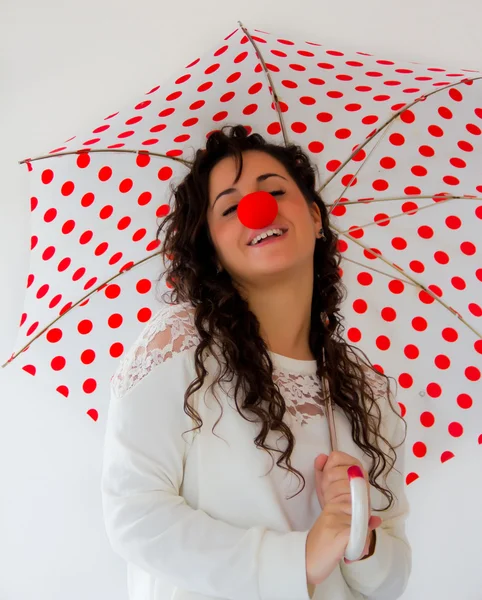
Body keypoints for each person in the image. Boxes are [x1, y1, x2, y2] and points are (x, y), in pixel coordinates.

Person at [101, 124, 412, 600]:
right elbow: (135, 515)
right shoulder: (180, 344)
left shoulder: (367, 392)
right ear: (215, 251)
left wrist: (359, 538)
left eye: (275, 191)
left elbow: (390, 583)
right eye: (229, 207)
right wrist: (297, 559)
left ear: (314, 216)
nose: (257, 209)